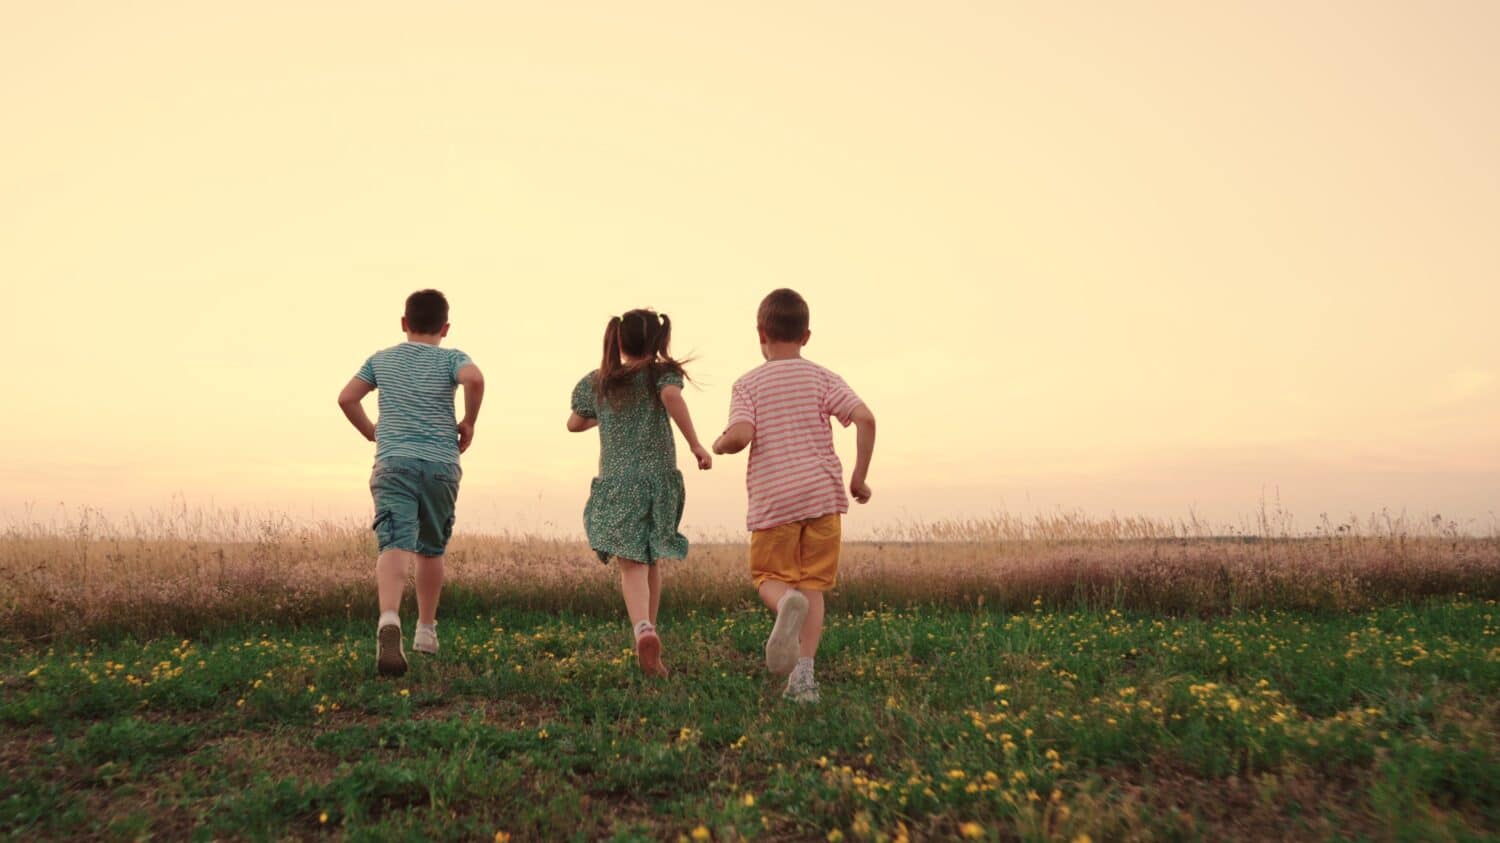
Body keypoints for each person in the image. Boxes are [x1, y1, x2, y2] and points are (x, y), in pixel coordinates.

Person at [713, 288, 876, 703]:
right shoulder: (823, 378)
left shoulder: (748, 384)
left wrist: (720, 443)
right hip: (822, 498)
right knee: (814, 588)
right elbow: (864, 417)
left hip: (775, 501)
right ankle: (804, 679)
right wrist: (858, 477)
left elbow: (742, 434)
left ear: (760, 333)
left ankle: (785, 602)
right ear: (806, 336)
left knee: (770, 579)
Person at [337, 289, 484, 677]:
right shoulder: (453, 358)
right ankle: (425, 631)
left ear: (404, 323)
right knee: (431, 549)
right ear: (445, 328)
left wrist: (371, 430)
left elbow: (346, 398)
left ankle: (389, 618)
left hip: (394, 463)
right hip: (440, 466)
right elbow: (475, 378)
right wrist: (469, 421)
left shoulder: (381, 359)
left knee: (395, 542)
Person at [568, 309, 712, 678]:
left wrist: (610, 412)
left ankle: (643, 630)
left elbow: (574, 423)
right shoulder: (662, 374)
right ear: (659, 341)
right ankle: (651, 628)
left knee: (630, 562)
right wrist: (695, 444)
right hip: (658, 478)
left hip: (618, 480)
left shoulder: (599, 381)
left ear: (618, 340)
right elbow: (671, 398)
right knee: (651, 557)